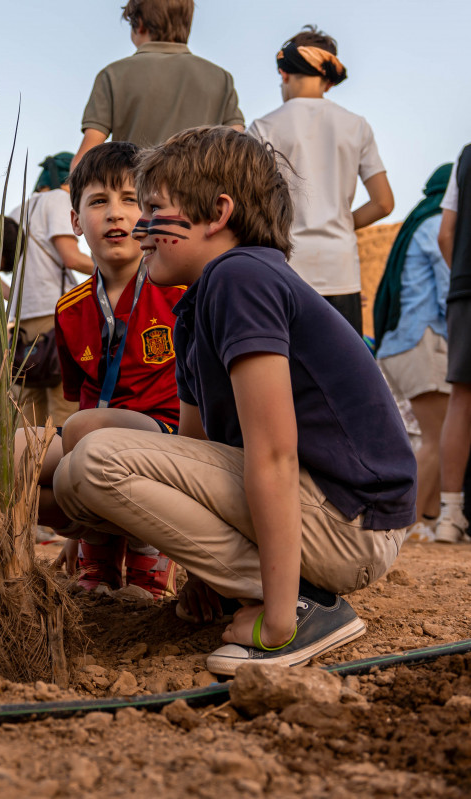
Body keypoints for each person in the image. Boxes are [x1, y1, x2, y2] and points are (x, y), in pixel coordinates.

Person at [55, 126, 414, 674]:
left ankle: (298, 608)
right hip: (324, 515)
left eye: (153, 209)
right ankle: (280, 590)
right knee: (75, 468)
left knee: (97, 461)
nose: (142, 228)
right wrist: (204, 577)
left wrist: (273, 617)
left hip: (349, 524)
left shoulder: (240, 276)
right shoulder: (196, 308)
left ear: (218, 213)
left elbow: (273, 453)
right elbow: (199, 451)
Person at [21, 143, 183, 600]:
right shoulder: (70, 309)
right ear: (75, 222)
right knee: (9, 454)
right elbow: (89, 397)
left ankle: (154, 555)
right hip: (97, 445)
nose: (115, 214)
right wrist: (74, 526)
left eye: (130, 200)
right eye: (98, 202)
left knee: (86, 427)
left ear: (151, 212)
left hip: (173, 440)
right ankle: (96, 547)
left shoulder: (181, 291)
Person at [248, 26, 394, 335]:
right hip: (341, 270)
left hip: (285, 267)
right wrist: (340, 222)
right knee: (343, 375)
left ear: (284, 72)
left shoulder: (263, 129)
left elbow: (252, 201)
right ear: (328, 81)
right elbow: (383, 203)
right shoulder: (357, 126)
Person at [373, 164, 453, 542]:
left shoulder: (417, 222)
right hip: (422, 341)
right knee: (438, 437)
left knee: (427, 437)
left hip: (397, 343)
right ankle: (405, 528)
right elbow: (447, 292)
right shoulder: (438, 226)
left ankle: (429, 521)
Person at [72, 0, 243, 166]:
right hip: (203, 194)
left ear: (139, 24)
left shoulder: (112, 74)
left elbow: (85, 159)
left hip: (138, 191)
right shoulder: (221, 78)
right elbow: (240, 149)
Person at [8, 153, 94, 429]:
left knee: (26, 417)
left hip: (20, 321)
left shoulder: (15, 211)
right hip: (57, 316)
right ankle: (63, 472)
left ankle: (26, 473)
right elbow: (70, 257)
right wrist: (120, 270)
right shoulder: (58, 199)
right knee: (65, 409)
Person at [436, 144, 471, 543]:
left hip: (464, 291)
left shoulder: (465, 156)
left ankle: (450, 514)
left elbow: (447, 233)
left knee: (460, 398)